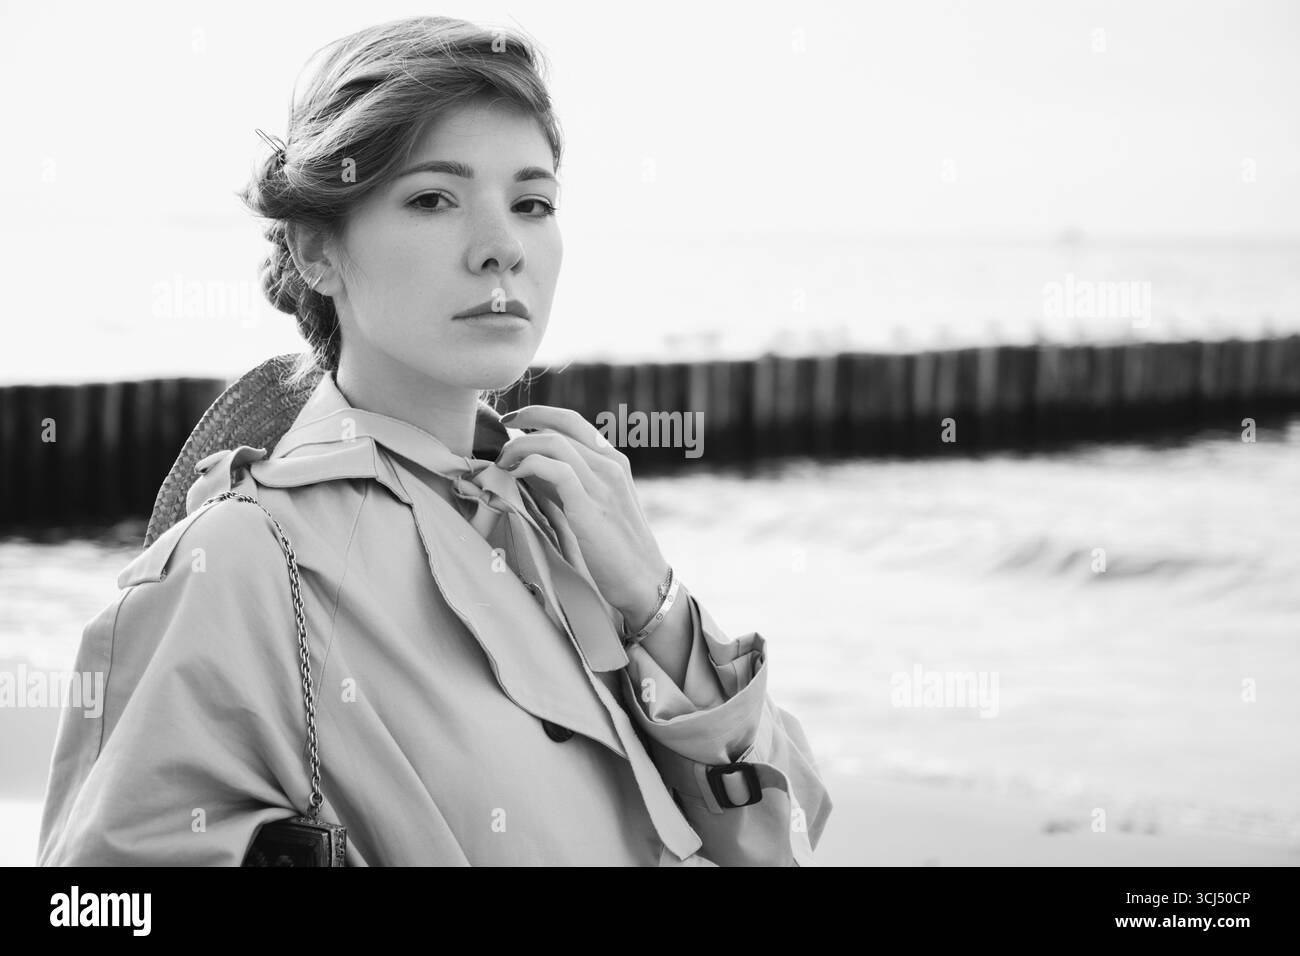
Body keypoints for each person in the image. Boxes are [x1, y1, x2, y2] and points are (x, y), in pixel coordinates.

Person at [37, 14, 832, 866]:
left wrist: (658, 604)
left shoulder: (565, 517)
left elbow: (783, 843)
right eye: (432, 199)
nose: (501, 249)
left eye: (532, 203)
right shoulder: (241, 561)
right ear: (317, 250)